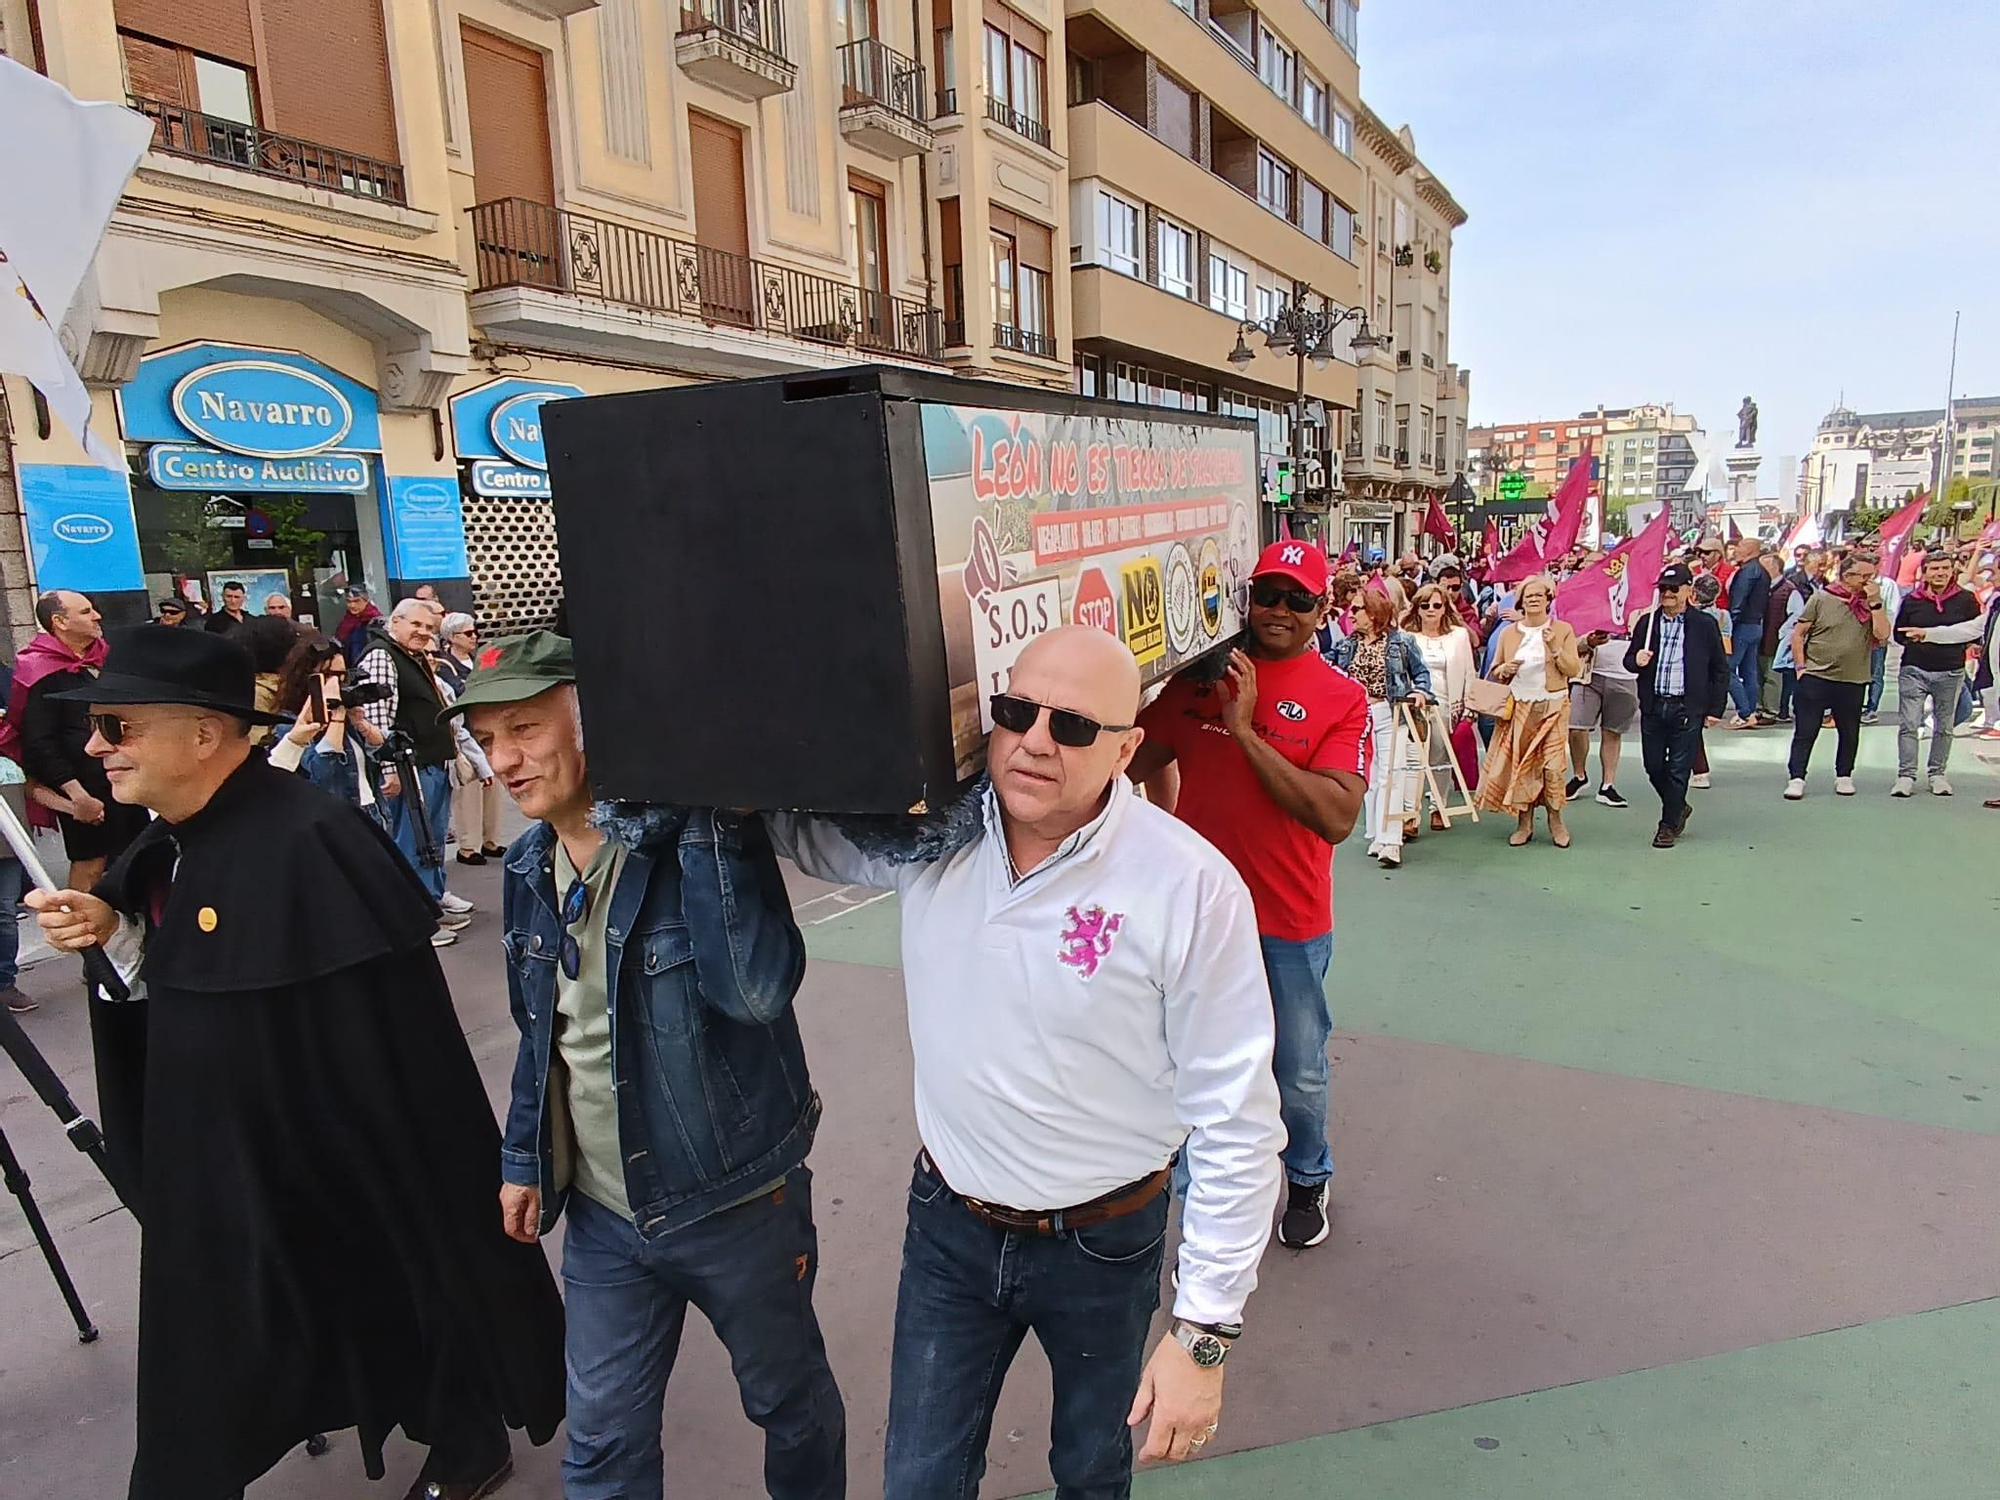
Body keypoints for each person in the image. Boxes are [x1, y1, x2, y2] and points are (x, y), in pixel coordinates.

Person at [27, 626, 565, 1500]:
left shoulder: (312, 837)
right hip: (221, 1161)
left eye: (116, 726)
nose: (95, 747)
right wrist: (111, 927)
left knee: (393, 1277)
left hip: (334, 1159)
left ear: (203, 732)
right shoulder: (171, 838)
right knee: (211, 1326)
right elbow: (180, 968)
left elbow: (381, 1038)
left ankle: (464, 1434)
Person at [769, 626, 1288, 1498]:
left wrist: (1203, 1334)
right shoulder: (934, 841)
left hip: (1103, 1242)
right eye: (1018, 712)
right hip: (950, 1227)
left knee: (1090, 1471)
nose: (1037, 740)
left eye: (1075, 727)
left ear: (1127, 749)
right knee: (921, 1480)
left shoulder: (1188, 888)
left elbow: (1236, 1117)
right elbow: (808, 836)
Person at [451, 633, 844, 1500]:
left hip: (735, 1199)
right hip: (601, 1210)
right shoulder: (526, 865)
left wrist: (709, 818)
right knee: (601, 1448)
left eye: (525, 728)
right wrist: (524, 1158)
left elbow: (756, 992)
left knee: (788, 1404)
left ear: (597, 725)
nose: (505, 760)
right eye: (489, 738)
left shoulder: (691, 836)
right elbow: (541, 1035)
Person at [1134, 540, 1367, 1242]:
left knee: (1294, 1070)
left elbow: (1335, 816)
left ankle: (1306, 1179)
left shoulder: (1343, 697)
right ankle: (1201, 1187)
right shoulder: (1193, 686)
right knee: (1189, 1064)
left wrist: (1243, 730)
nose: (1280, 610)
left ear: (1321, 610)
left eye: (1299, 599)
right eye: (1268, 593)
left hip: (1288, 922)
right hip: (1199, 922)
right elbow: (1130, 760)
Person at [11, 591, 151, 896]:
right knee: (91, 864)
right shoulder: (39, 669)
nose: (97, 616)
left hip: (127, 778)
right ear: (59, 622)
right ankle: (80, 941)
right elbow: (39, 742)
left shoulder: (107, 657)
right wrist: (77, 796)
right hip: (86, 789)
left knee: (143, 857)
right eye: (86, 612)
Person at [353, 600, 473, 941]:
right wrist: (390, 768)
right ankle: (417, 919)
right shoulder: (382, 655)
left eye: (428, 628)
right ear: (396, 621)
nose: (423, 632)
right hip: (408, 768)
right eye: (416, 625)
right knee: (413, 841)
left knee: (430, 840)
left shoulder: (411, 655)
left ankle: (431, 903)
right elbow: (378, 718)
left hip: (429, 763)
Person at [1625, 564, 1729, 848]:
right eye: (1663, 589)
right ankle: (1679, 806)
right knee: (1653, 766)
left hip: (1688, 706)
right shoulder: (1647, 624)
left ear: (1687, 590)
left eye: (1673, 588)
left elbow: (1720, 669)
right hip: (1654, 705)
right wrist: (1638, 661)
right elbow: (1629, 659)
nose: (1667, 594)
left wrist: (1714, 709)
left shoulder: (1704, 625)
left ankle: (1667, 824)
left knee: (1679, 769)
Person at [1327, 586, 1432, 869]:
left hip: (1391, 710)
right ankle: (1375, 834)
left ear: (1373, 613)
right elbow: (1327, 667)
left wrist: (1421, 692)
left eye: (1358, 608)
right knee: (1370, 777)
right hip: (1359, 715)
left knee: (1392, 773)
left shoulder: (1401, 642)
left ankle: (1391, 840)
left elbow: (1421, 672)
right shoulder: (1348, 643)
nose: (1353, 613)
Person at [1477, 574, 1584, 847]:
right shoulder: (1509, 633)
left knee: (1553, 768)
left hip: (1554, 705)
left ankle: (1555, 821)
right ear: (1520, 601)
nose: (1534, 599)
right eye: (1529, 595)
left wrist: (1555, 649)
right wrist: (1505, 669)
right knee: (1522, 767)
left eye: (1540, 595)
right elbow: (1495, 669)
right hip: (1520, 707)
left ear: (1549, 599)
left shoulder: (1562, 629)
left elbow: (1574, 670)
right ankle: (1524, 824)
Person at [1785, 552, 1891, 800]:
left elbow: (1882, 634)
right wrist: (1801, 667)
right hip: (1817, 674)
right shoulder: (1821, 598)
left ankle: (1844, 774)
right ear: (1847, 575)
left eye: (1870, 576)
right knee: (1806, 729)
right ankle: (1797, 776)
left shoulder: (1872, 602)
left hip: (1853, 677)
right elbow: (1799, 633)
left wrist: (1875, 603)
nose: (1868, 581)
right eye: (1863, 576)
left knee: (1849, 730)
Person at [266, 633, 391, 830]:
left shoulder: (348, 720)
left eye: (341, 675)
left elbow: (379, 754)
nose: (335, 683)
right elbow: (323, 773)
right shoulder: (289, 724)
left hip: (371, 812)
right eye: (328, 675)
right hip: (333, 821)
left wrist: (361, 724)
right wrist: (336, 717)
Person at [1890, 549, 1982, 797]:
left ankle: (1937, 774)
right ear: (1926, 573)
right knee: (1909, 724)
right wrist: (1914, 638)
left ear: (1952, 570)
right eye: (1935, 569)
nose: (1940, 573)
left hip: (1950, 670)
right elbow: (1898, 633)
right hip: (1914, 669)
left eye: (1945, 568)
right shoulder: (1912, 600)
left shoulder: (1966, 599)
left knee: (1945, 726)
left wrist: (1963, 643)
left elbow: (1975, 631)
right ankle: (1906, 775)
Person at [435, 614, 508, 866]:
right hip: (462, 733)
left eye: (475, 631)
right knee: (469, 791)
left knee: (493, 787)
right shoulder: (444, 665)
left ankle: (491, 839)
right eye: (468, 633)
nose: (474, 636)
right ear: (452, 637)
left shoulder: (479, 660)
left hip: (485, 730)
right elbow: (459, 692)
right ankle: (468, 845)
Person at [1406, 582, 1480, 822]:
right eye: (1425, 605)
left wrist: (1470, 708)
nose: (1431, 610)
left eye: (1437, 605)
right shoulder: (1406, 636)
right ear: (1416, 608)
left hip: (1447, 704)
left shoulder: (1458, 636)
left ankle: (1438, 806)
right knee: (1413, 760)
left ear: (1445, 608)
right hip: (1413, 705)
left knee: (1440, 757)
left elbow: (1470, 673)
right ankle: (1410, 814)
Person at [1565, 618, 1638, 811]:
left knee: (1612, 731)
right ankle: (1579, 775)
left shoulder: (1641, 606)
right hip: (1587, 675)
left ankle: (1608, 784)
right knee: (1576, 727)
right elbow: (1568, 642)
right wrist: (1588, 642)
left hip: (1625, 676)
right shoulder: (1591, 605)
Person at [1723, 537, 1770, 725]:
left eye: (1740, 547)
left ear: (1751, 550)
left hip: (1742, 625)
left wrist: (1729, 626)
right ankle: (1750, 710)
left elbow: (1738, 600)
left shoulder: (1748, 572)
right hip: (1756, 624)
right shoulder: (1762, 571)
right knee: (1749, 671)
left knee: (1727, 669)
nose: (1735, 550)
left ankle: (1744, 712)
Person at [1755, 550, 1797, 723]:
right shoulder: (1761, 588)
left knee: (1772, 676)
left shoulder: (1789, 590)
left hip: (1776, 640)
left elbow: (1796, 616)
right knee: (1758, 675)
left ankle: (1771, 710)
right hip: (1759, 638)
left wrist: (1783, 635)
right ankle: (1758, 707)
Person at [1862, 565, 1903, 726]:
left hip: (1879, 635)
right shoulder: (1857, 585)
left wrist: (1886, 634)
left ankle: (1872, 709)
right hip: (1859, 637)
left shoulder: (1888, 585)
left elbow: (1893, 610)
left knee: (1876, 673)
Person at [334, 583, 383, 657]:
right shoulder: (347, 621)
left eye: (356, 601)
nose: (352, 605)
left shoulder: (375, 622)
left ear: (366, 601)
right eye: (348, 601)